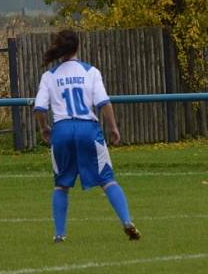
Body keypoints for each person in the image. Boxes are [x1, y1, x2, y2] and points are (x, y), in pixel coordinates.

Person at [33, 29, 141, 243]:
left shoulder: (49, 76)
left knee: (61, 184)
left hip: (62, 130)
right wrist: (113, 128)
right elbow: (104, 103)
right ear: (77, 47)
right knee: (107, 179)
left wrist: (44, 127)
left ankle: (59, 234)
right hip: (87, 129)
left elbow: (39, 108)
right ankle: (127, 221)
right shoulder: (90, 72)